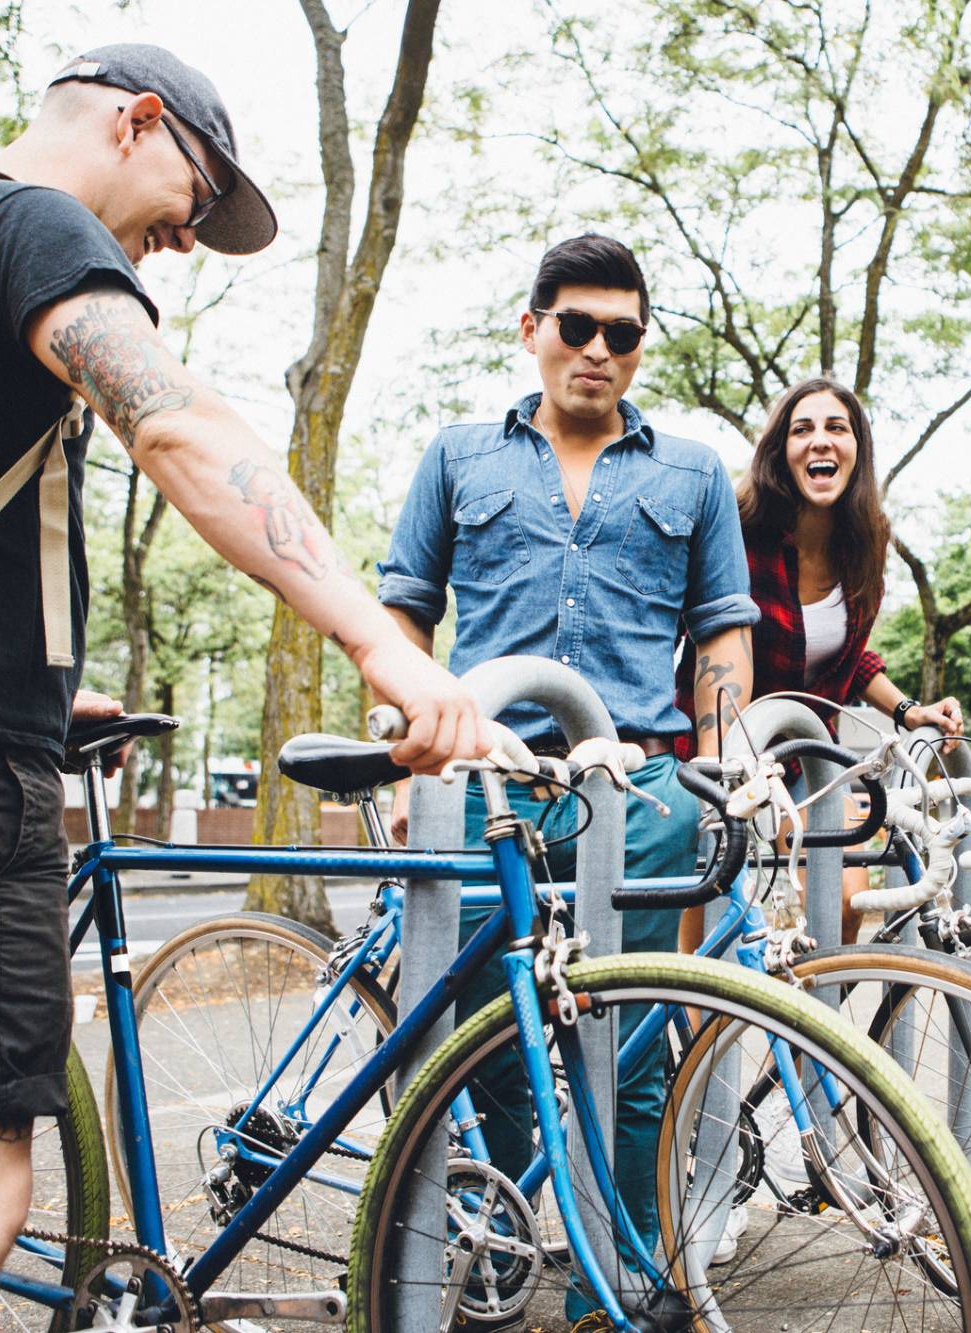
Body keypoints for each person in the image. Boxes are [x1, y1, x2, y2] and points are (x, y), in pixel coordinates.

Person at [0, 45, 481, 1333]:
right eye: (194, 202)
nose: (185, 243)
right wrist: (382, 643)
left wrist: (37, 689)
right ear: (137, 121)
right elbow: (175, 426)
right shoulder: (26, 224)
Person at [376, 234, 756, 1328]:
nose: (597, 349)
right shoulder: (458, 457)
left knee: (632, 1044)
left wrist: (721, 775)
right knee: (486, 1047)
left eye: (622, 333)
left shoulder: (691, 475)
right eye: (576, 326)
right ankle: (498, 1255)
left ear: (640, 347)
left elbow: (721, 637)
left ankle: (624, 1283)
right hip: (488, 788)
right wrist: (413, 744)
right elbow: (404, 611)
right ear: (531, 326)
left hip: (637, 795)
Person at [675, 377, 963, 946]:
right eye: (802, 429)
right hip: (728, 742)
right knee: (703, 916)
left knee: (846, 904)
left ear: (858, 447)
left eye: (837, 428)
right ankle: (692, 1019)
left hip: (809, 754)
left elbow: (845, 659)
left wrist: (909, 711)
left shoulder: (865, 544)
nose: (821, 442)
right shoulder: (741, 530)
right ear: (781, 450)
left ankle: (796, 1026)